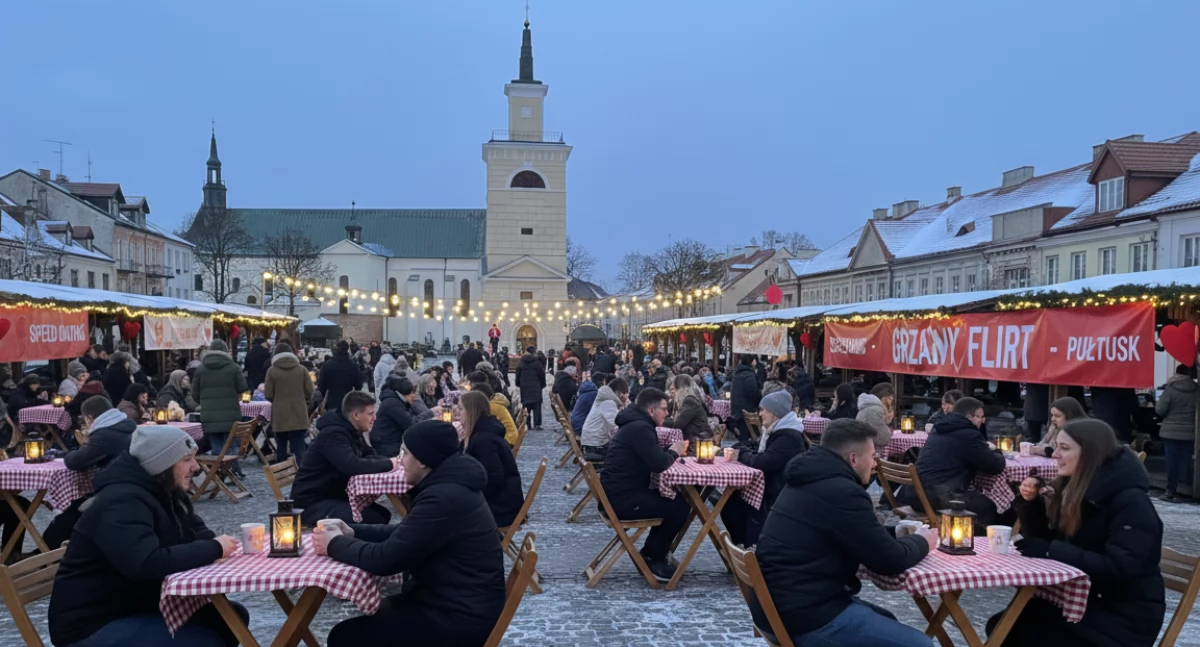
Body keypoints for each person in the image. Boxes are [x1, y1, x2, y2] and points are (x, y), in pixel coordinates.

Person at [47, 425, 245, 647]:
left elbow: (194, 529)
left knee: (231, 618)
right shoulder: (121, 501)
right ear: (162, 463)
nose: (196, 467)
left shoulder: (163, 491)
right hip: (92, 624)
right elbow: (146, 563)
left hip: (136, 604)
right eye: (187, 459)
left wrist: (209, 544)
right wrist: (213, 548)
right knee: (206, 641)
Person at [313, 421, 504, 646]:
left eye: (404, 452)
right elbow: (407, 534)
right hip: (453, 603)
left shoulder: (443, 498)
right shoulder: (450, 486)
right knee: (361, 624)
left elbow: (385, 559)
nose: (400, 460)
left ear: (423, 460)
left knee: (345, 636)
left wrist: (334, 544)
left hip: (458, 618)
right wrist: (353, 531)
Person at [753, 418, 937, 647]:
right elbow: (889, 560)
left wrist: (897, 532)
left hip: (781, 606)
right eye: (872, 457)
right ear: (853, 459)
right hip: (807, 616)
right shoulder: (842, 492)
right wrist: (923, 541)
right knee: (920, 645)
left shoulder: (809, 478)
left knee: (888, 620)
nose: (875, 464)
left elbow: (855, 531)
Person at [993, 419, 1164, 647]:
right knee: (1003, 626)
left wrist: (1051, 550)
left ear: (1091, 453)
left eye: (1064, 448)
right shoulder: (1076, 487)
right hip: (1083, 600)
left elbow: (1120, 568)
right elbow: (1048, 542)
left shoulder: (1131, 501)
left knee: (1018, 634)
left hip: (1124, 617)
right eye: (1056, 446)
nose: (1055, 455)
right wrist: (1031, 505)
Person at [600, 388, 690, 582]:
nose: (667, 414)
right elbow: (658, 465)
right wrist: (673, 451)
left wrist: (666, 451)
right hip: (622, 501)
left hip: (615, 495)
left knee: (676, 502)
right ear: (651, 410)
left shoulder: (636, 425)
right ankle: (653, 556)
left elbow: (650, 455)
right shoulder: (640, 428)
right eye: (664, 409)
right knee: (679, 506)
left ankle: (654, 552)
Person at [43, 397, 138, 549]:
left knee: (73, 510)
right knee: (77, 506)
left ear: (89, 418)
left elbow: (75, 462)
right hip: (131, 485)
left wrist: (65, 454)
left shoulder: (104, 434)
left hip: (116, 491)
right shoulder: (128, 425)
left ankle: (45, 551)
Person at [291, 391, 396, 526]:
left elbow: (369, 453)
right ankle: (349, 547)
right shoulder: (333, 434)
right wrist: (390, 463)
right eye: (370, 414)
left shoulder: (351, 430)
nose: (375, 418)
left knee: (383, 514)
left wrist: (388, 462)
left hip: (333, 496)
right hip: (311, 504)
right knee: (374, 519)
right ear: (356, 415)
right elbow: (352, 466)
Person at [722, 390, 809, 547]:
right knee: (730, 502)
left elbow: (762, 462)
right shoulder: (774, 432)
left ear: (775, 412)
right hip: (772, 486)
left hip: (780, 491)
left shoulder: (788, 437)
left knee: (732, 504)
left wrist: (741, 453)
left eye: (763, 410)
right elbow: (756, 448)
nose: (759, 414)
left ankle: (750, 548)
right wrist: (740, 447)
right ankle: (742, 546)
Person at [906, 397, 1006, 530]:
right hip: (938, 498)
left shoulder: (938, 429)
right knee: (989, 505)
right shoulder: (968, 435)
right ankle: (978, 541)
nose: (982, 421)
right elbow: (994, 466)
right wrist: (997, 452)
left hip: (916, 496)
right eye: (979, 417)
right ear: (969, 416)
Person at [458, 392, 524, 527]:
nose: (458, 413)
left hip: (500, 508)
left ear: (471, 411)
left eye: (461, 409)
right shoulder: (483, 431)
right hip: (501, 501)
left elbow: (494, 479)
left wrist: (471, 496)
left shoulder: (483, 440)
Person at [191, 339, 249, 455]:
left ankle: (219, 471)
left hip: (209, 415)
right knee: (232, 443)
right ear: (226, 351)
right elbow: (243, 388)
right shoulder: (234, 368)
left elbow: (195, 393)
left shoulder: (201, 369)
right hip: (231, 414)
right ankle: (233, 470)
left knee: (216, 444)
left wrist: (205, 403)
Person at [264, 342, 314, 465]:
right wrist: (304, 402)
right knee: (299, 449)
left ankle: (281, 475)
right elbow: (310, 391)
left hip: (280, 415)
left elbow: (268, 395)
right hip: (299, 414)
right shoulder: (302, 370)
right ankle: (302, 476)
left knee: (281, 449)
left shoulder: (272, 371)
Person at [1155, 364, 1196, 502]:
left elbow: (1160, 410)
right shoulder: (1197, 390)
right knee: (1185, 460)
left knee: (1172, 461)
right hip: (1190, 431)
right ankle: (1184, 487)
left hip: (1170, 432)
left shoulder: (1170, 389)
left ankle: (1171, 489)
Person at [580, 377, 628, 461]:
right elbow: (616, 425)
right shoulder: (608, 402)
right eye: (624, 393)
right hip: (595, 446)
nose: (625, 396)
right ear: (618, 392)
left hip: (591, 442)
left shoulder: (605, 398)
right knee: (627, 453)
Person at [371, 376, 417, 458]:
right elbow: (411, 424)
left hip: (389, 442)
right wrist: (432, 413)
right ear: (404, 392)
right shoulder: (392, 403)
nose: (415, 396)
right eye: (412, 393)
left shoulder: (395, 401)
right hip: (386, 445)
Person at [664, 374, 713, 448]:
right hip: (697, 439)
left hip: (699, 443)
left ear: (681, 388)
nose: (672, 392)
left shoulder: (690, 401)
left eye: (674, 389)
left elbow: (677, 424)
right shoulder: (687, 401)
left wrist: (659, 419)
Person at [317, 341, 363, 414]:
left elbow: (321, 385)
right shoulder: (353, 366)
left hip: (331, 401)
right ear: (347, 349)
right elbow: (359, 384)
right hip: (347, 401)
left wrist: (322, 400)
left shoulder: (327, 365)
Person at [468, 381, 519, 447]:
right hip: (509, 437)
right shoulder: (494, 403)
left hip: (507, 440)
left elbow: (482, 425)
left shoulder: (491, 406)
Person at [730, 355, 763, 442]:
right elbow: (754, 393)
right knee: (751, 438)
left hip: (737, 411)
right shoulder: (749, 375)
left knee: (742, 438)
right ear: (753, 361)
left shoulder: (738, 373)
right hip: (746, 412)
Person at [515, 346, 546, 430]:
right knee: (537, 405)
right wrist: (542, 385)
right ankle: (537, 424)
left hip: (525, 387)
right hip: (536, 386)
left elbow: (517, 374)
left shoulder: (521, 362)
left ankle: (527, 423)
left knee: (526, 405)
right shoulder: (536, 362)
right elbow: (542, 374)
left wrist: (519, 384)